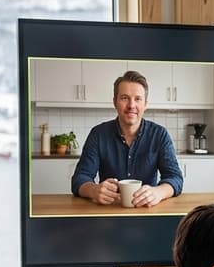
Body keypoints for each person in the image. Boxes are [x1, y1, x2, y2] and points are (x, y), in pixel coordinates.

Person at [71, 70, 183, 207]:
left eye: (137, 99)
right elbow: (79, 178)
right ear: (115, 102)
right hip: (108, 211)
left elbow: (175, 178)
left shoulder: (159, 135)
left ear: (145, 104)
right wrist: (94, 190)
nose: (131, 105)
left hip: (147, 211)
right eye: (124, 98)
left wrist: (158, 193)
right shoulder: (98, 134)